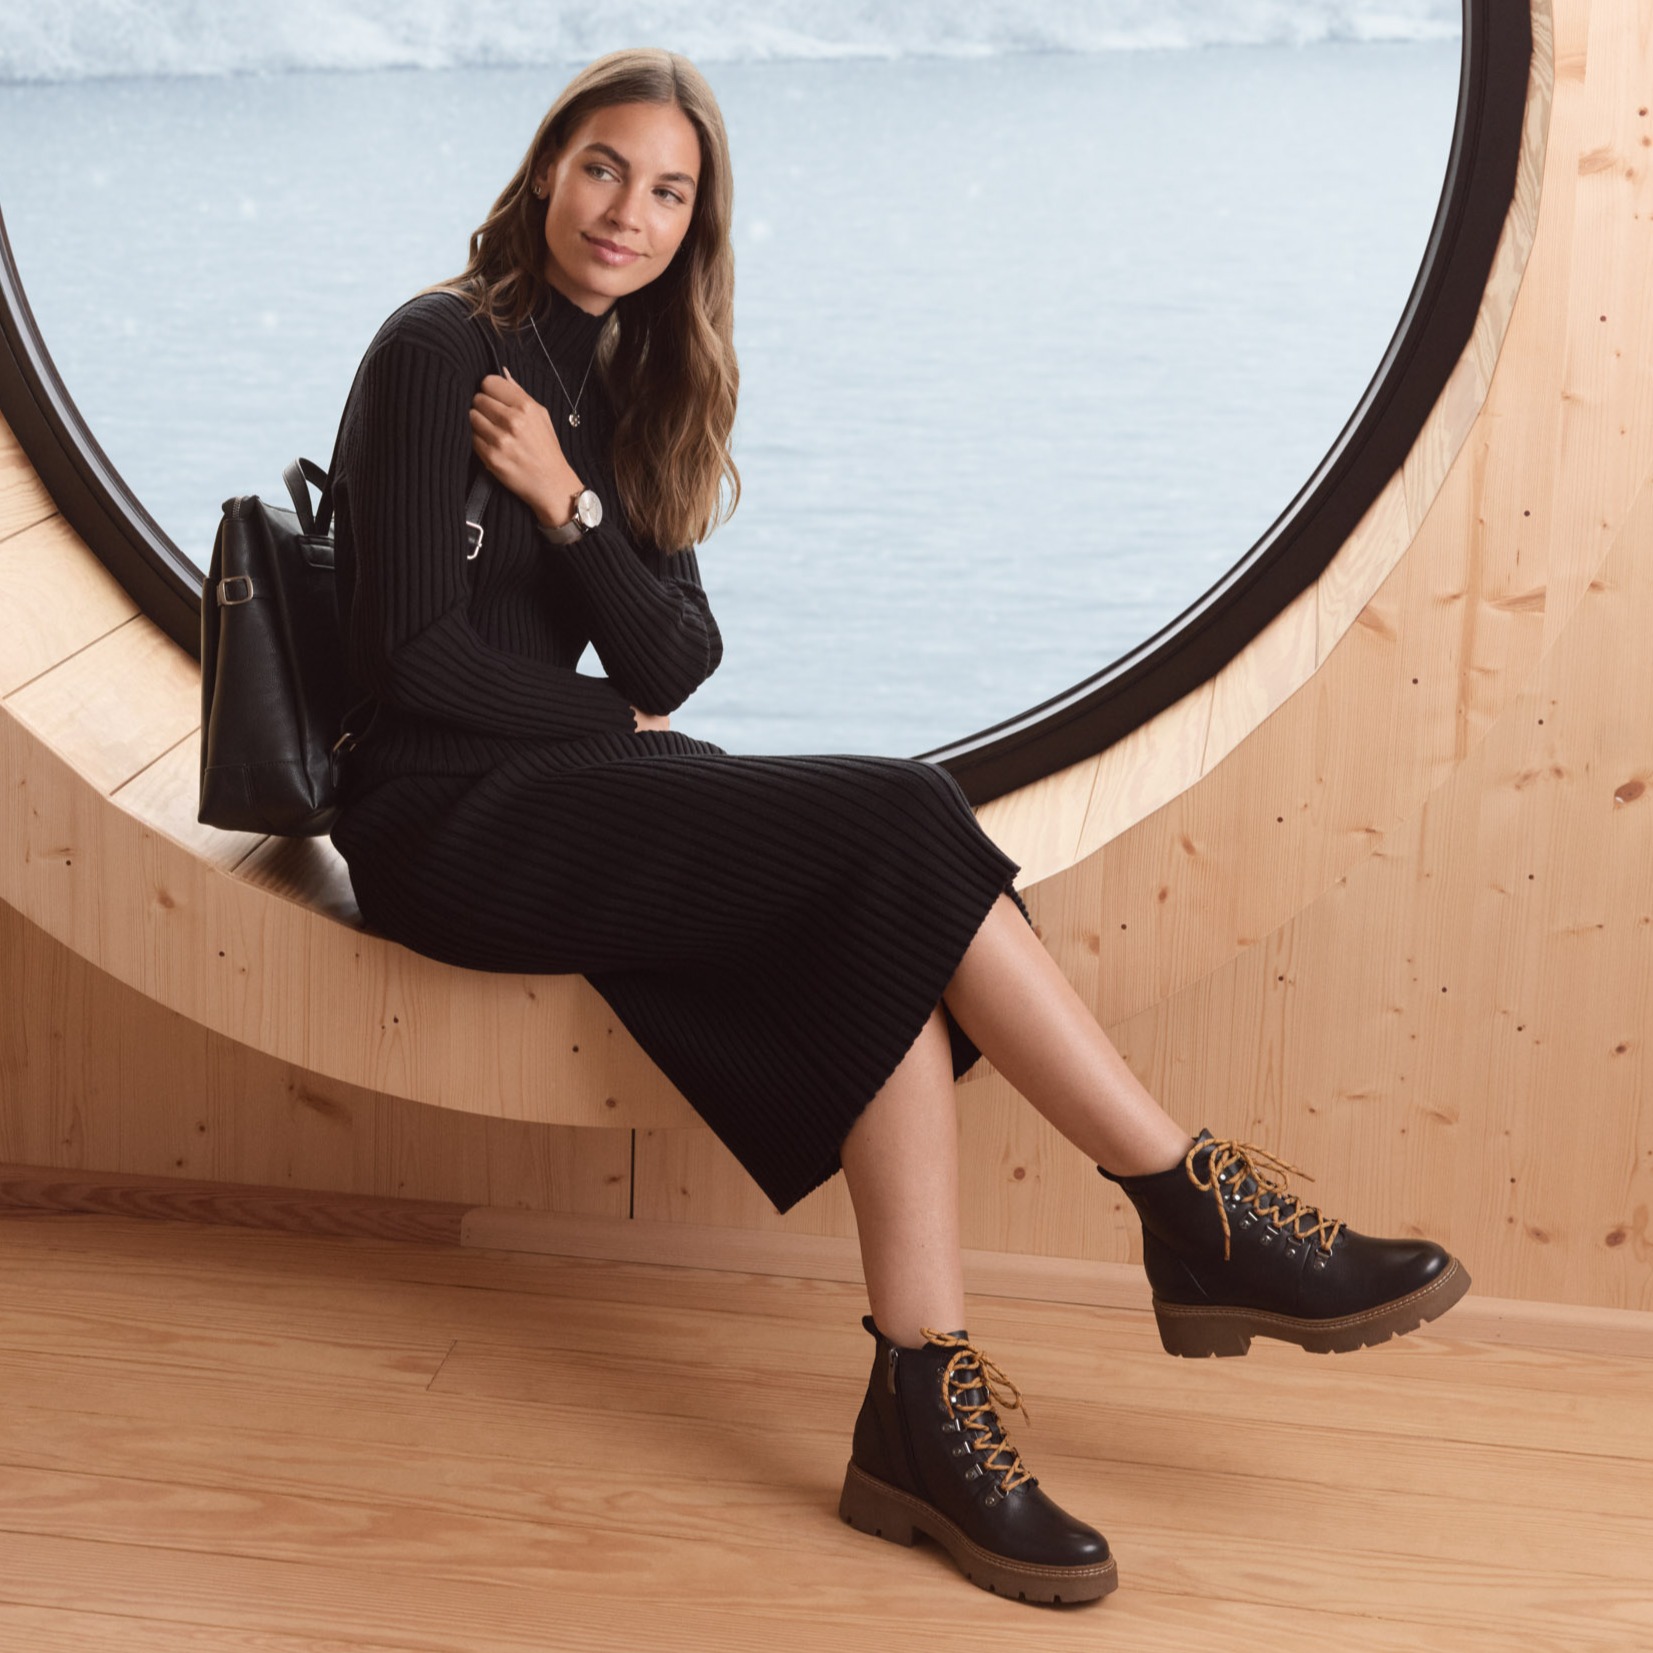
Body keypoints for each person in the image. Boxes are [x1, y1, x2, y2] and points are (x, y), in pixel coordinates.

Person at [326, 45, 1471, 1608]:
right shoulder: (437, 348)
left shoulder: (631, 380)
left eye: (670, 192)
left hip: (565, 796)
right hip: (435, 821)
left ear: (694, 227)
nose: (627, 214)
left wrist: (571, 508)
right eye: (603, 169)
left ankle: (921, 1402)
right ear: (544, 170)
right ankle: (1179, 1200)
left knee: (874, 918)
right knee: (904, 813)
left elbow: (676, 655)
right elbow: (414, 664)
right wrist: (614, 723)